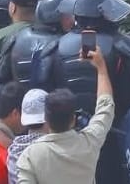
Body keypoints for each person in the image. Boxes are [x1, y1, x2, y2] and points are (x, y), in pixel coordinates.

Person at [15, 48, 113, 183]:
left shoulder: (30, 156)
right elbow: (106, 107)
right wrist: (101, 68)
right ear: (73, 119)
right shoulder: (89, 142)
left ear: (46, 120)